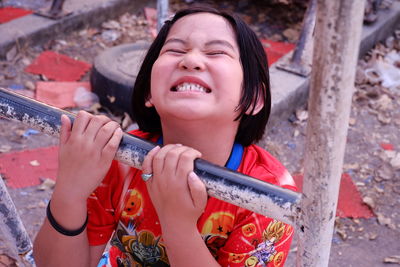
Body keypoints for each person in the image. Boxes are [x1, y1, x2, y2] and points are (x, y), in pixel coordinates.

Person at [33, 6, 297, 267]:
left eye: (216, 52)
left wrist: (178, 224)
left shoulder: (269, 198)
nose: (190, 60)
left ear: (255, 98)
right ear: (149, 89)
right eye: (175, 50)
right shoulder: (119, 159)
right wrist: (69, 190)